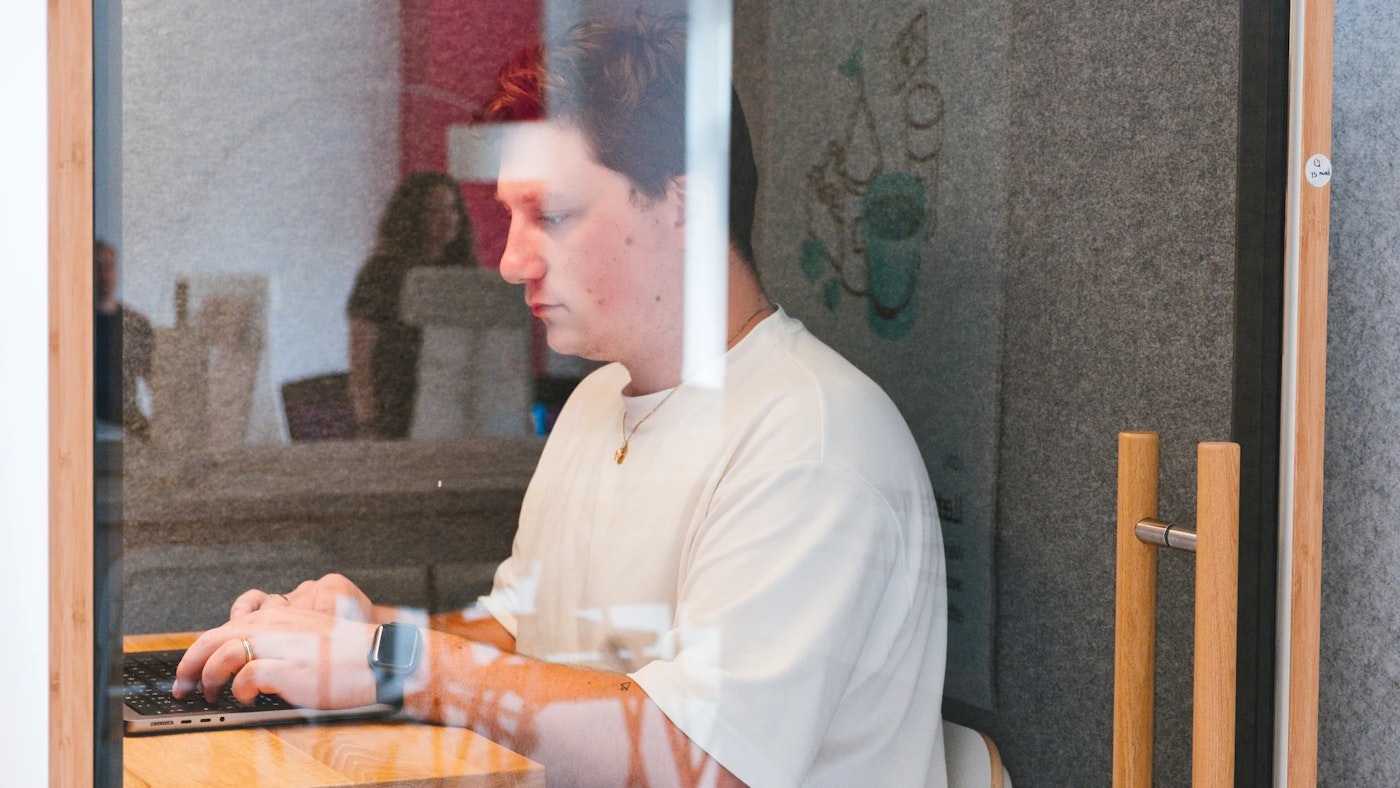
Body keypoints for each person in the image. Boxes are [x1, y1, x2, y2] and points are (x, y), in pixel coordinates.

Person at [176, 14, 947, 786]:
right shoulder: (597, 403)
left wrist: (390, 664)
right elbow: (521, 631)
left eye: (551, 216)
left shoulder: (810, 439)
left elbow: (704, 760)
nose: (510, 261)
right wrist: (369, 628)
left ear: (685, 205)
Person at [347, 171, 479, 439]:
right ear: (412, 217)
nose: (447, 219)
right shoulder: (381, 273)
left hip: (454, 401)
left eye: (452, 209)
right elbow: (360, 353)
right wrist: (367, 418)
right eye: (434, 211)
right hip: (397, 405)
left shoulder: (462, 272)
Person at [93, 240, 154, 440]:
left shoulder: (135, 323)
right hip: (90, 429)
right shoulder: (75, 326)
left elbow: (154, 378)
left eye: (108, 266)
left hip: (129, 427)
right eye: (97, 266)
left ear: (116, 270)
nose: (103, 274)